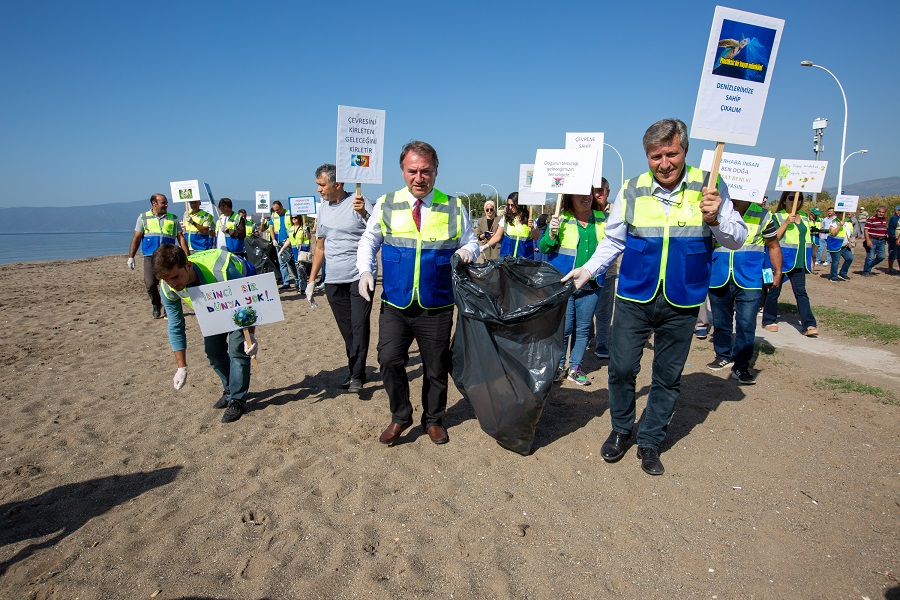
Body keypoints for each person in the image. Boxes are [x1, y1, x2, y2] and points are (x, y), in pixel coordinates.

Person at [561, 118, 747, 476]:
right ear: (647, 156)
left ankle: (650, 440)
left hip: (683, 297)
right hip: (634, 295)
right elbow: (614, 240)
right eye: (655, 156)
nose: (664, 164)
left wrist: (714, 220)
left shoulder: (709, 186)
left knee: (667, 375)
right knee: (622, 367)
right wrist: (588, 271)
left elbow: (735, 238)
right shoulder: (632, 189)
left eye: (671, 154)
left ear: (684, 150)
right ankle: (621, 429)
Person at [357, 140, 478, 446]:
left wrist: (466, 252)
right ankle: (400, 416)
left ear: (436, 171)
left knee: (435, 367)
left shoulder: (454, 206)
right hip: (396, 303)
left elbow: (472, 242)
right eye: (413, 171)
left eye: (426, 171)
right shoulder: (386, 203)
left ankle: (434, 420)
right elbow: (369, 241)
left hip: (436, 304)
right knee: (388, 359)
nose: (419, 178)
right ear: (402, 171)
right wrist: (366, 271)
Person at [153, 245, 256, 423]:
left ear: (188, 266)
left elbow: (249, 303)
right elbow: (176, 325)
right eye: (166, 279)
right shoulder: (167, 287)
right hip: (211, 305)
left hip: (242, 286)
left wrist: (251, 336)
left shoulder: (222, 272)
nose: (172, 284)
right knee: (213, 351)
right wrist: (181, 367)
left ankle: (237, 400)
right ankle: (230, 389)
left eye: (175, 277)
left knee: (238, 350)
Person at [308, 163, 375, 394]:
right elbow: (320, 247)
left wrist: (364, 213)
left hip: (359, 276)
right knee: (347, 330)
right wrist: (311, 280)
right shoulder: (323, 208)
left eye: (321, 184)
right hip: (333, 280)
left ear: (337, 184)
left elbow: (379, 233)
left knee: (359, 326)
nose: (319, 189)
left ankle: (356, 375)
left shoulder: (358, 200)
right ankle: (356, 369)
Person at [707, 199, 783, 384]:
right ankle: (723, 355)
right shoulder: (718, 211)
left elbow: (773, 245)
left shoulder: (764, 215)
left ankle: (741, 366)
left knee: (746, 323)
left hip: (750, 278)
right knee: (721, 321)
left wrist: (778, 272)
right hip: (719, 275)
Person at [540, 192, 607, 385]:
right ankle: (559, 367)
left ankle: (575, 367)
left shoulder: (602, 218)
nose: (585, 197)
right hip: (566, 283)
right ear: (570, 198)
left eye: (588, 194)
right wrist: (551, 233)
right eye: (580, 194)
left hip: (592, 283)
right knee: (565, 328)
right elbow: (544, 247)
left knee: (583, 328)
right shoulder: (560, 219)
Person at [762, 192, 818, 336]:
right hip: (781, 259)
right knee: (774, 291)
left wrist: (810, 258)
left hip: (799, 260)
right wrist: (786, 222)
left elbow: (807, 239)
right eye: (791, 198)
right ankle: (768, 320)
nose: (795, 201)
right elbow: (773, 238)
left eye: (799, 198)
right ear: (784, 200)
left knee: (801, 293)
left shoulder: (805, 217)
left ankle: (809, 324)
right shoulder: (776, 216)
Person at [127, 193, 189, 319]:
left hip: (168, 257)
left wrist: (187, 255)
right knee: (150, 283)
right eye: (163, 203)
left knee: (167, 284)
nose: (166, 205)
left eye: (166, 203)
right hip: (150, 257)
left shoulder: (173, 218)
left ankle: (167, 309)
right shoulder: (143, 218)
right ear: (154, 203)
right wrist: (131, 256)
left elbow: (180, 237)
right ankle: (156, 304)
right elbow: (137, 238)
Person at [591, 179, 618, 359]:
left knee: (604, 312)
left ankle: (602, 344)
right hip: (587, 271)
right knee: (585, 311)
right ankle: (587, 338)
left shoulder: (617, 211)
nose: (598, 194)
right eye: (594, 191)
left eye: (601, 191)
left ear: (608, 191)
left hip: (607, 272)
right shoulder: (584, 212)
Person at [484, 192, 538, 259]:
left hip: (525, 259)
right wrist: (486, 246)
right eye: (508, 205)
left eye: (512, 205)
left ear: (519, 204)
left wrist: (532, 228)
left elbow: (536, 237)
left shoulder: (530, 218)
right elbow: (497, 236)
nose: (510, 207)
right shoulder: (505, 218)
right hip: (507, 258)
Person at [269, 200, 301, 290]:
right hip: (278, 242)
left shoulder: (289, 213)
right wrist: (273, 239)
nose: (277, 211)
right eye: (275, 210)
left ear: (281, 206)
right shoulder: (274, 216)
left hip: (288, 241)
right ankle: (286, 282)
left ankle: (297, 280)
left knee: (290, 262)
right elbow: (271, 228)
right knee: (281, 262)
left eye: (278, 209)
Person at [278, 214, 310, 294]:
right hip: (295, 251)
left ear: (299, 218)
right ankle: (302, 287)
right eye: (292, 218)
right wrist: (282, 249)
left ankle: (303, 288)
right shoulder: (291, 229)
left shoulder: (304, 227)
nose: (294, 219)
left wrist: (306, 231)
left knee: (302, 269)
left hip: (303, 250)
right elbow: (289, 240)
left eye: (295, 218)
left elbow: (309, 238)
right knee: (298, 270)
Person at [826, 212, 855, 281]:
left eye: (840, 213)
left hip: (845, 245)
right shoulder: (834, 222)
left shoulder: (848, 222)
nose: (838, 214)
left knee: (849, 258)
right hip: (835, 244)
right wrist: (839, 225)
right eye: (837, 213)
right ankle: (833, 277)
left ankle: (843, 273)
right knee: (836, 261)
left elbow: (850, 232)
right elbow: (833, 232)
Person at [862, 205, 889, 276]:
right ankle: (866, 272)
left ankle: (869, 266)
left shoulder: (884, 219)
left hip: (882, 240)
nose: (881, 213)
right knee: (870, 257)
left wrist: (886, 233)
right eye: (879, 212)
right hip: (872, 239)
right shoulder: (871, 219)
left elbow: (883, 228)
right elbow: (866, 230)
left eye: (883, 212)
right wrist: (868, 240)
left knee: (881, 257)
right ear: (877, 212)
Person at [888, 205, 900, 274]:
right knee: (893, 253)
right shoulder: (894, 218)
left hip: (898, 238)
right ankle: (890, 268)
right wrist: (894, 237)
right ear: (897, 211)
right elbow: (894, 227)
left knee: (898, 254)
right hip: (894, 238)